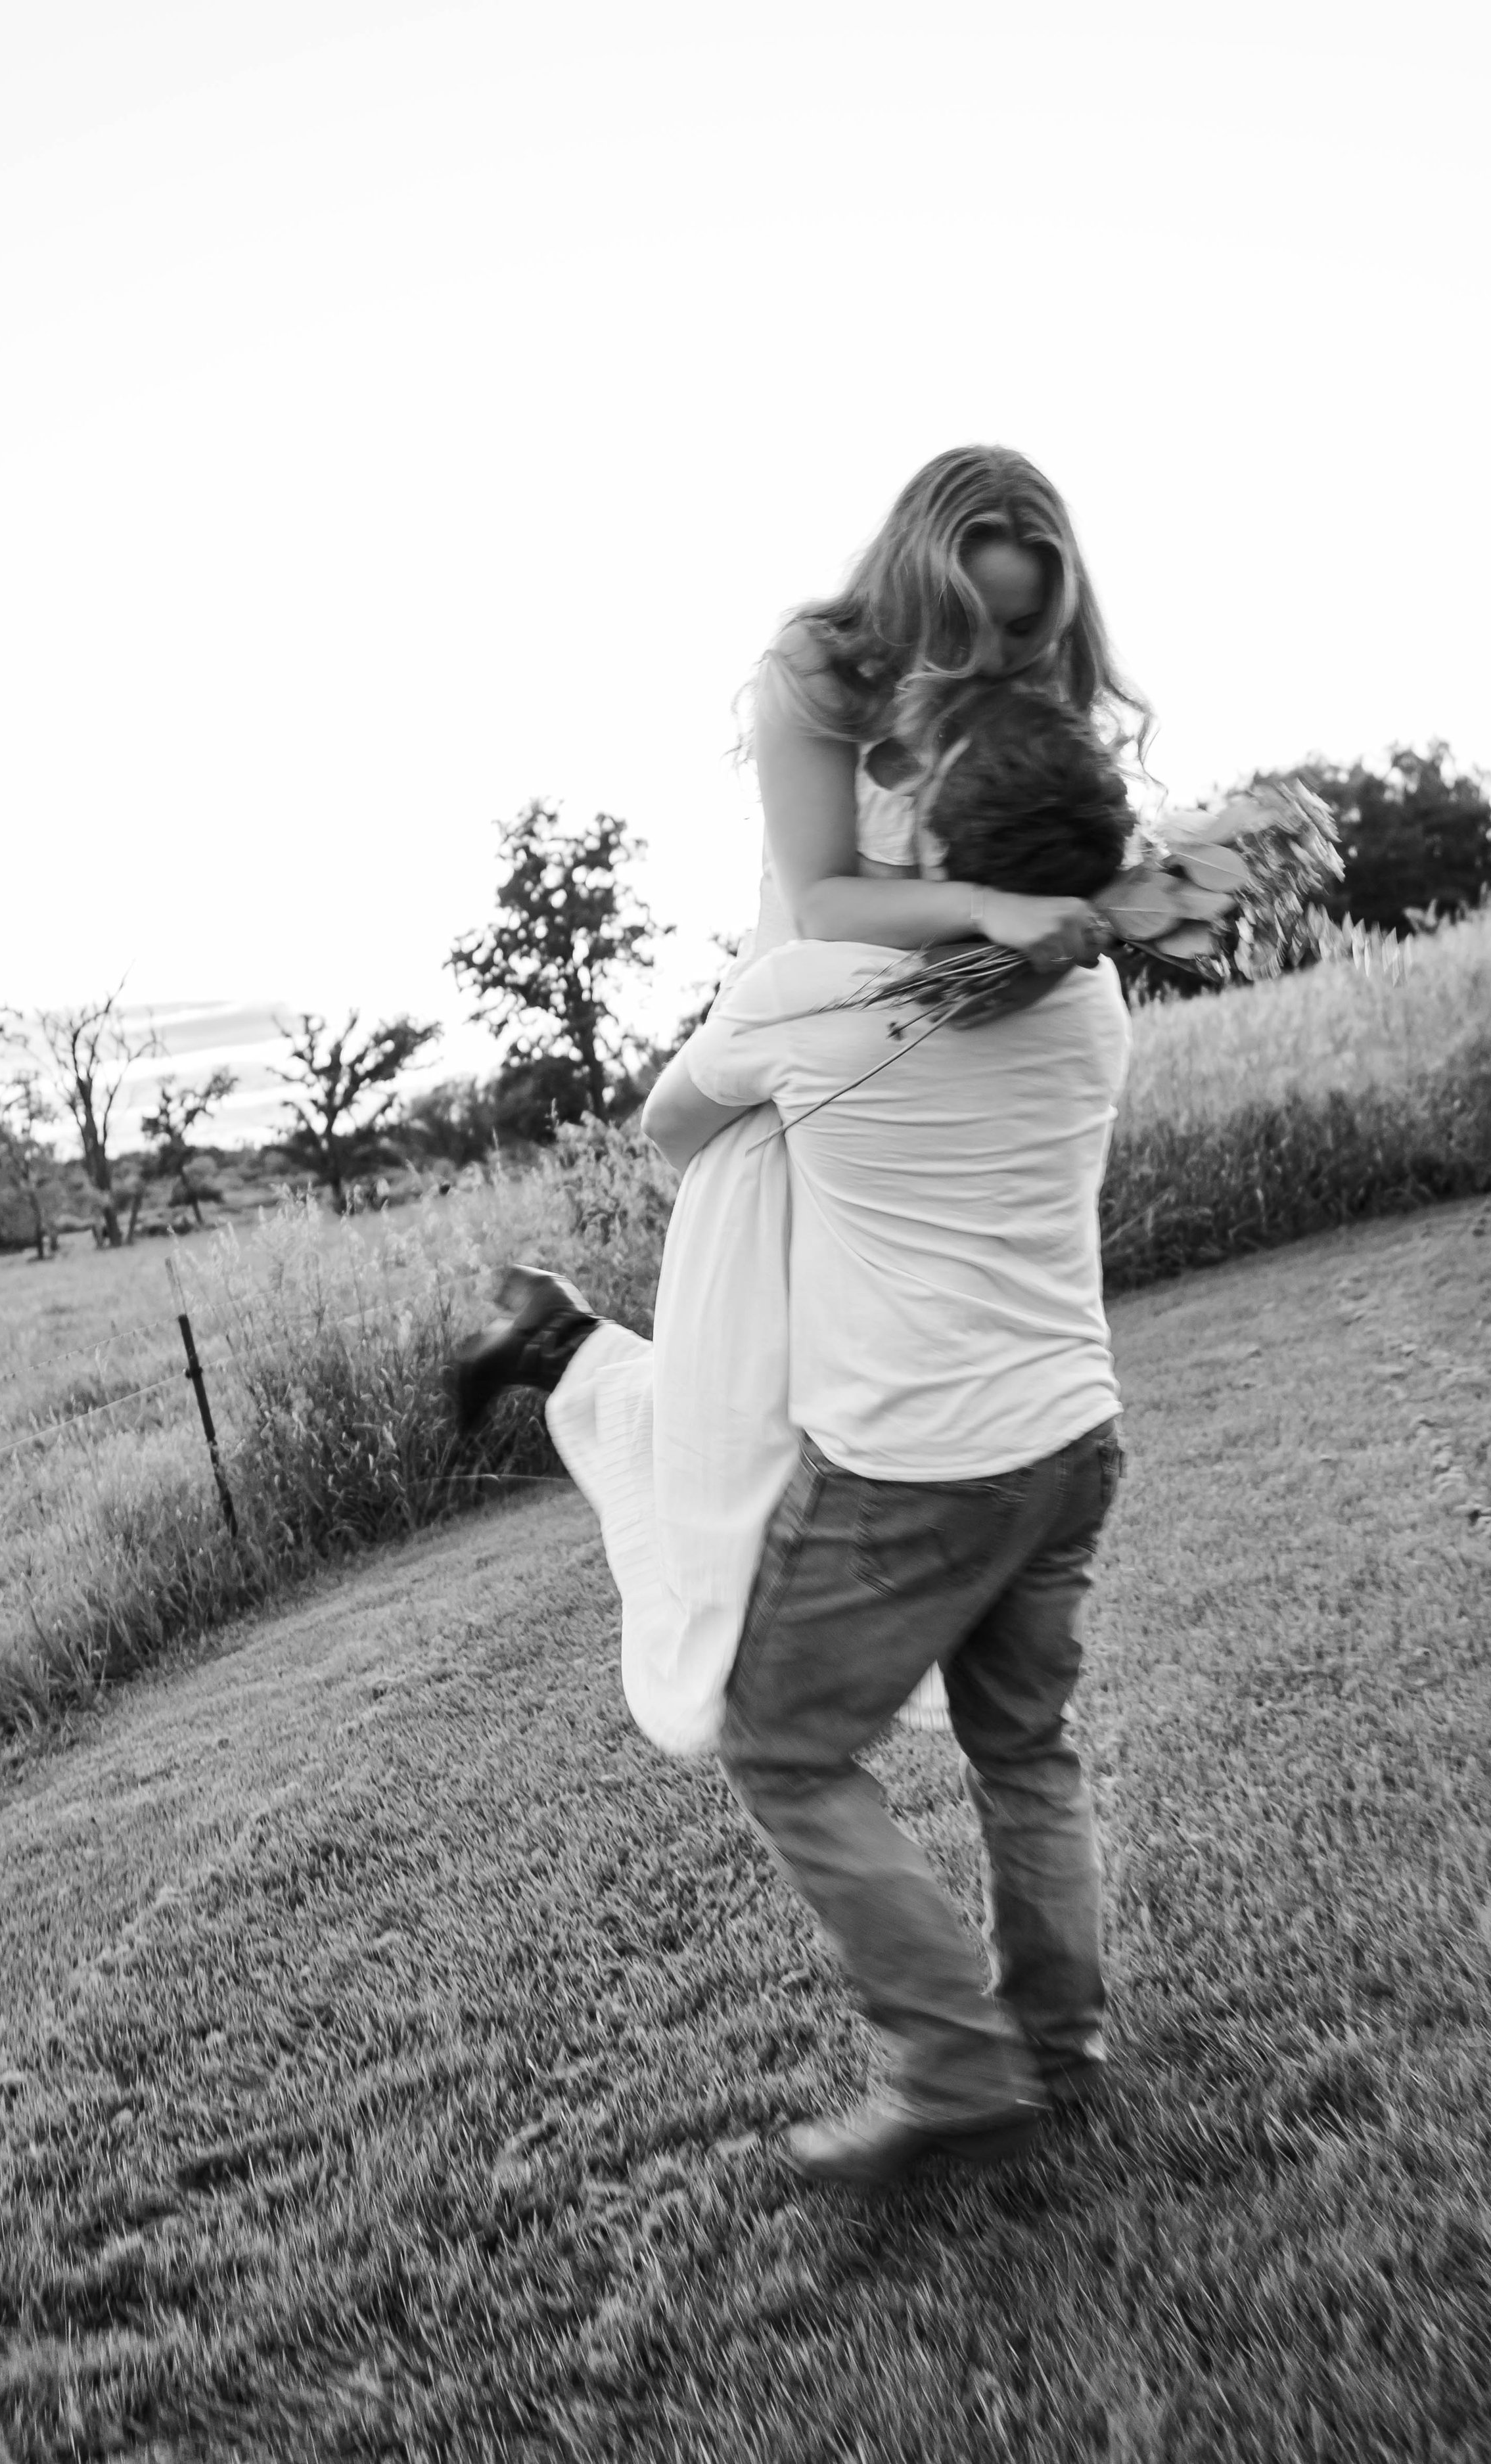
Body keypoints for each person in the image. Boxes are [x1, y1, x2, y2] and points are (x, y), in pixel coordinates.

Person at [480, 687, 1135, 2189]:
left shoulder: (817, 995)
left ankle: (958, 2064)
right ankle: (1058, 2041)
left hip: (915, 1462)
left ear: (951, 851)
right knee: (1024, 1747)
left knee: (780, 1746)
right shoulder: (1096, 1003)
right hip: (1071, 1435)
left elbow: (669, 1123)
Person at [452, 446, 1144, 1753]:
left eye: (1021, 625)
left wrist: (1121, 905)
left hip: (909, 1096)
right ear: (918, 585)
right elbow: (827, 901)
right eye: (977, 619)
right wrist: (994, 910)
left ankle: (563, 1344)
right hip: (803, 1080)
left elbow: (1048, 851)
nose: (999, 652)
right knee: (737, 1468)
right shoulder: (814, 672)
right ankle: (564, 1354)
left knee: (823, 1432)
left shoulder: (1011, 689)